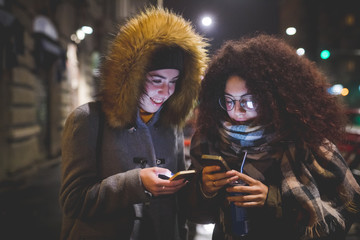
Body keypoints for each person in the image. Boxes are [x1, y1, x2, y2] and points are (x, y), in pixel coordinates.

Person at [183, 34, 360, 240]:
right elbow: (193, 213)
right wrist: (204, 189)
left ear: (273, 99)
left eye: (248, 101)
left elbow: (344, 213)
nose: (237, 111)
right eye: (229, 101)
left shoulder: (307, 142)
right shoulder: (210, 141)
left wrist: (272, 200)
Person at [59, 7, 208, 240]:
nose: (165, 91)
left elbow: (179, 204)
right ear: (131, 77)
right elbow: (73, 202)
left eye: (174, 81)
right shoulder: (87, 119)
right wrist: (136, 183)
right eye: (156, 80)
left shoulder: (172, 127)